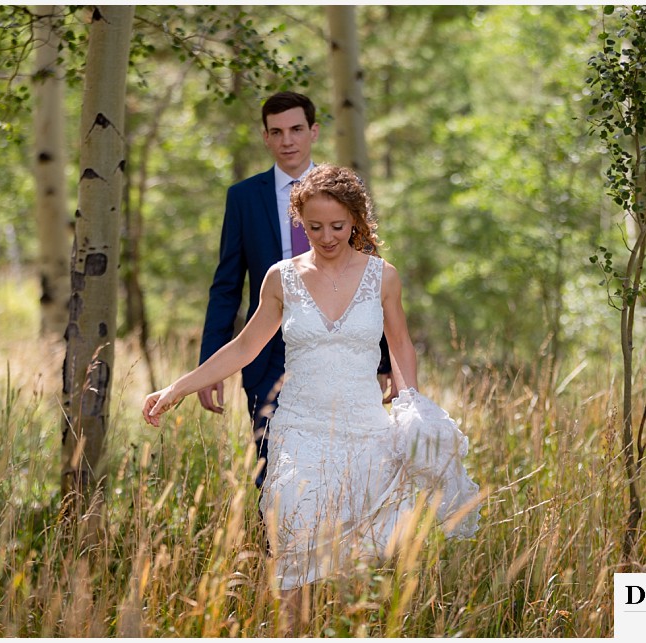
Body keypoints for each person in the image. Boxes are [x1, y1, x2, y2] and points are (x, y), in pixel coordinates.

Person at [144, 164, 479, 631]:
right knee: (292, 543)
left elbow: (400, 343)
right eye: (315, 226)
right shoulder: (282, 278)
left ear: (357, 221)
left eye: (338, 226)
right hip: (299, 429)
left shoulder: (383, 277)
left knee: (357, 564)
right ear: (300, 221)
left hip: (364, 429)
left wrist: (410, 404)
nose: (326, 236)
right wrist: (180, 386)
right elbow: (245, 346)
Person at [197, 91, 393, 489]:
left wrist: (385, 359)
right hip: (266, 354)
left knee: (347, 476)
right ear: (266, 137)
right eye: (277, 132)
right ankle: (278, 549)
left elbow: (371, 281)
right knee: (276, 475)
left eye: (297, 129)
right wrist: (208, 367)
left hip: (339, 357)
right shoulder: (243, 198)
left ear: (313, 132)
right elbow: (227, 286)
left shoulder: (344, 190)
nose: (288, 140)